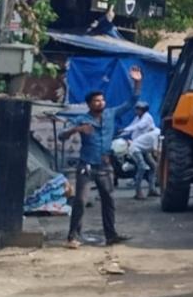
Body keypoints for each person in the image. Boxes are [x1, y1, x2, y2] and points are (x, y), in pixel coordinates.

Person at [58, 65, 142, 248]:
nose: (100, 103)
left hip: (105, 166)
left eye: (102, 100)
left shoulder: (111, 114)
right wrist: (76, 129)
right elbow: (61, 134)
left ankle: (111, 235)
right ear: (89, 104)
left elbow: (131, 103)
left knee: (109, 200)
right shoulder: (82, 119)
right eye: (96, 101)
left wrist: (137, 83)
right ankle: (72, 237)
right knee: (80, 200)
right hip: (86, 165)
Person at [129, 126, 161, 200]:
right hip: (135, 148)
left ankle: (151, 190)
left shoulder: (158, 131)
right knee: (142, 167)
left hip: (144, 150)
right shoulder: (156, 136)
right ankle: (138, 192)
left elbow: (152, 128)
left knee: (153, 166)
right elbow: (157, 153)